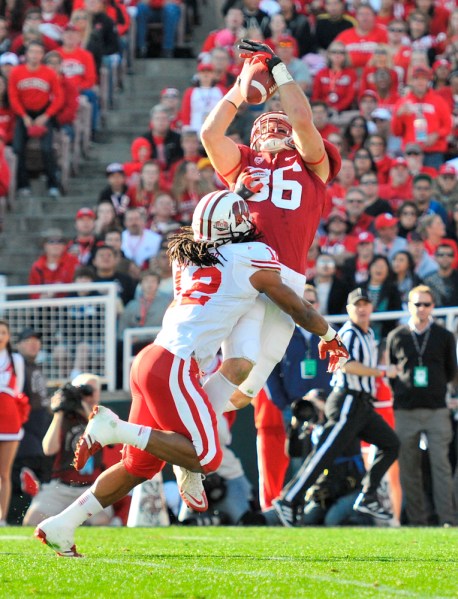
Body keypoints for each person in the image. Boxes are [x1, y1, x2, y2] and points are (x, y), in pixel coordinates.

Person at [34, 190, 349, 557]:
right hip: (175, 366)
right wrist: (330, 335)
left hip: (152, 359)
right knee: (207, 457)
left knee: (137, 467)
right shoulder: (250, 258)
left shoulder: (187, 257)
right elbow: (298, 308)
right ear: (233, 225)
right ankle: (116, 429)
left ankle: (63, 524)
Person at [199, 38, 341, 418]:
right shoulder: (244, 160)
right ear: (252, 137)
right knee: (232, 363)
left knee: (246, 389)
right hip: (245, 269)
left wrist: (277, 67)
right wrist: (240, 84)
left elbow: (303, 120)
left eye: (280, 122)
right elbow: (210, 136)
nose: (273, 126)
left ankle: (190, 420)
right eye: (264, 123)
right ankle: (180, 411)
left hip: (289, 278)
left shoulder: (312, 165)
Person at [273, 288, 400, 527]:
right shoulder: (349, 333)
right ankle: (288, 499)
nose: (362, 309)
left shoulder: (368, 333)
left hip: (361, 403)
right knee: (324, 453)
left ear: (371, 307)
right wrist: (382, 372)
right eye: (357, 305)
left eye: (365, 304)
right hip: (347, 400)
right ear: (349, 309)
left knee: (391, 444)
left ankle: (368, 494)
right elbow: (347, 365)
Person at [387, 285, 457, 526]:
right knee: (409, 469)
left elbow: (450, 372)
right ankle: (418, 522)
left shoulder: (444, 336)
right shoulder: (396, 336)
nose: (422, 309)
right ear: (409, 306)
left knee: (441, 467)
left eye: (427, 304)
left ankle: (448, 519)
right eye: (417, 304)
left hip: (436, 409)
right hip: (405, 410)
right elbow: (392, 372)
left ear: (433, 307)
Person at [22, 373, 113, 526]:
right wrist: (59, 412)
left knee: (101, 521)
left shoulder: (103, 415)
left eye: (92, 390)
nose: (88, 395)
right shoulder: (64, 417)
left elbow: (106, 438)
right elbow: (49, 449)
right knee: (32, 520)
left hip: (91, 488)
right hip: (61, 486)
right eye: (83, 390)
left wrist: (84, 408)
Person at [8, 40, 63, 197]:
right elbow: (13, 97)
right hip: (24, 113)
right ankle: (22, 185)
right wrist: (23, 116)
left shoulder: (49, 73)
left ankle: (53, 184)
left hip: (43, 113)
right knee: (18, 149)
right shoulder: (17, 73)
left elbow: (58, 97)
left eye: (38, 52)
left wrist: (46, 115)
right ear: (26, 54)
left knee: (46, 149)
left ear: (42, 55)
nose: (35, 55)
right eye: (32, 52)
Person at [9, 328, 51, 525]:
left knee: (33, 481)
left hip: (39, 432)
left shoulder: (35, 367)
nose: (34, 343)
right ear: (18, 344)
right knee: (20, 479)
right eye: (28, 340)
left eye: (36, 340)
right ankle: (13, 520)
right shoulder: (16, 365)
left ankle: (24, 520)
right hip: (24, 434)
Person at [0, 320, 27, 526]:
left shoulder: (15, 359)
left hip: (9, 419)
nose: (0, 336)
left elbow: (18, 390)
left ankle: (2, 518)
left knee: (4, 472)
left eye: (3, 332)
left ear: (8, 336)